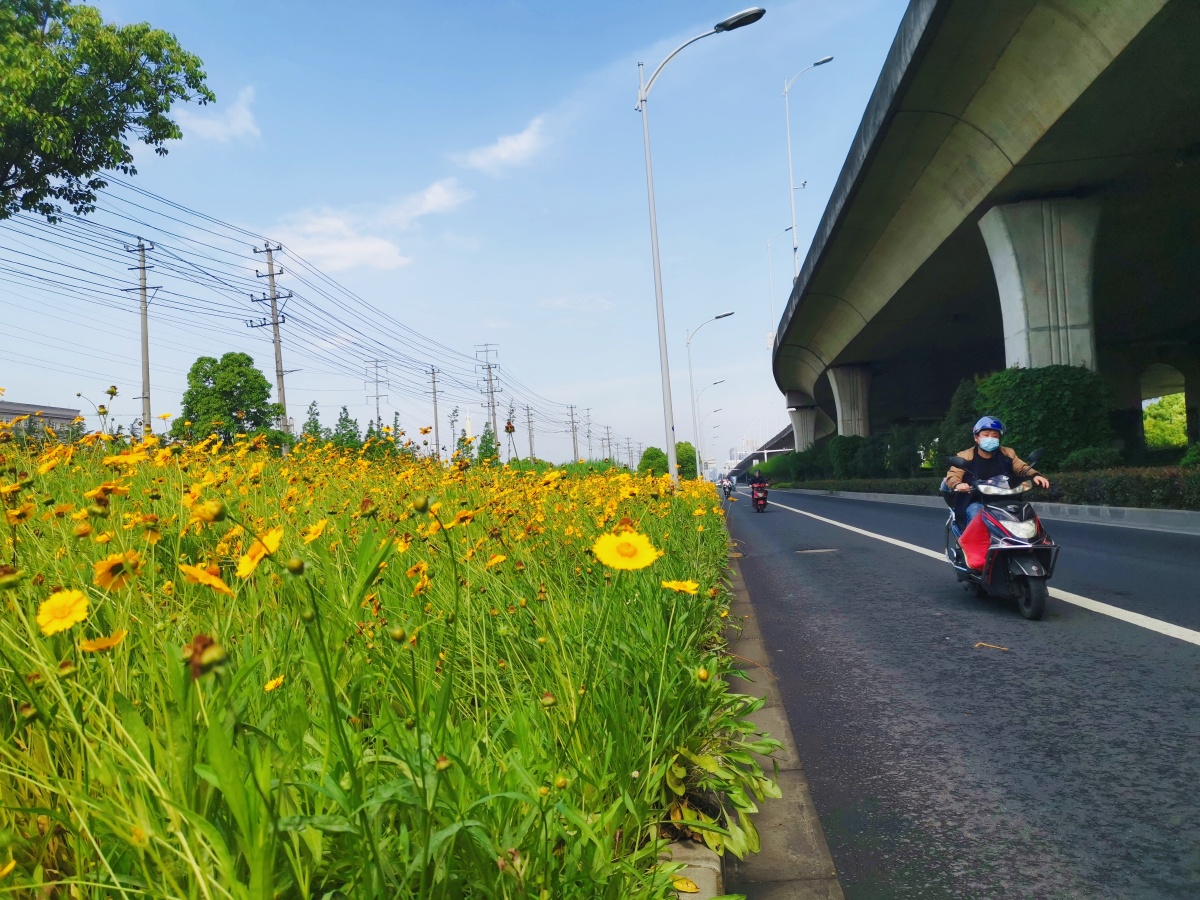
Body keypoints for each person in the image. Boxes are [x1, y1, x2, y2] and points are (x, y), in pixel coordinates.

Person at [944, 416, 1050, 527]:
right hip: (976, 500)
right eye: (986, 435)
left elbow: (1022, 467)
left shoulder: (1008, 453)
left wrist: (1035, 475)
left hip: (1006, 499)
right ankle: (974, 544)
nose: (991, 438)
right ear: (976, 437)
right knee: (976, 513)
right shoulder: (965, 456)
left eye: (995, 436)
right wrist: (959, 484)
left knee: (1026, 515)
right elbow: (953, 474)